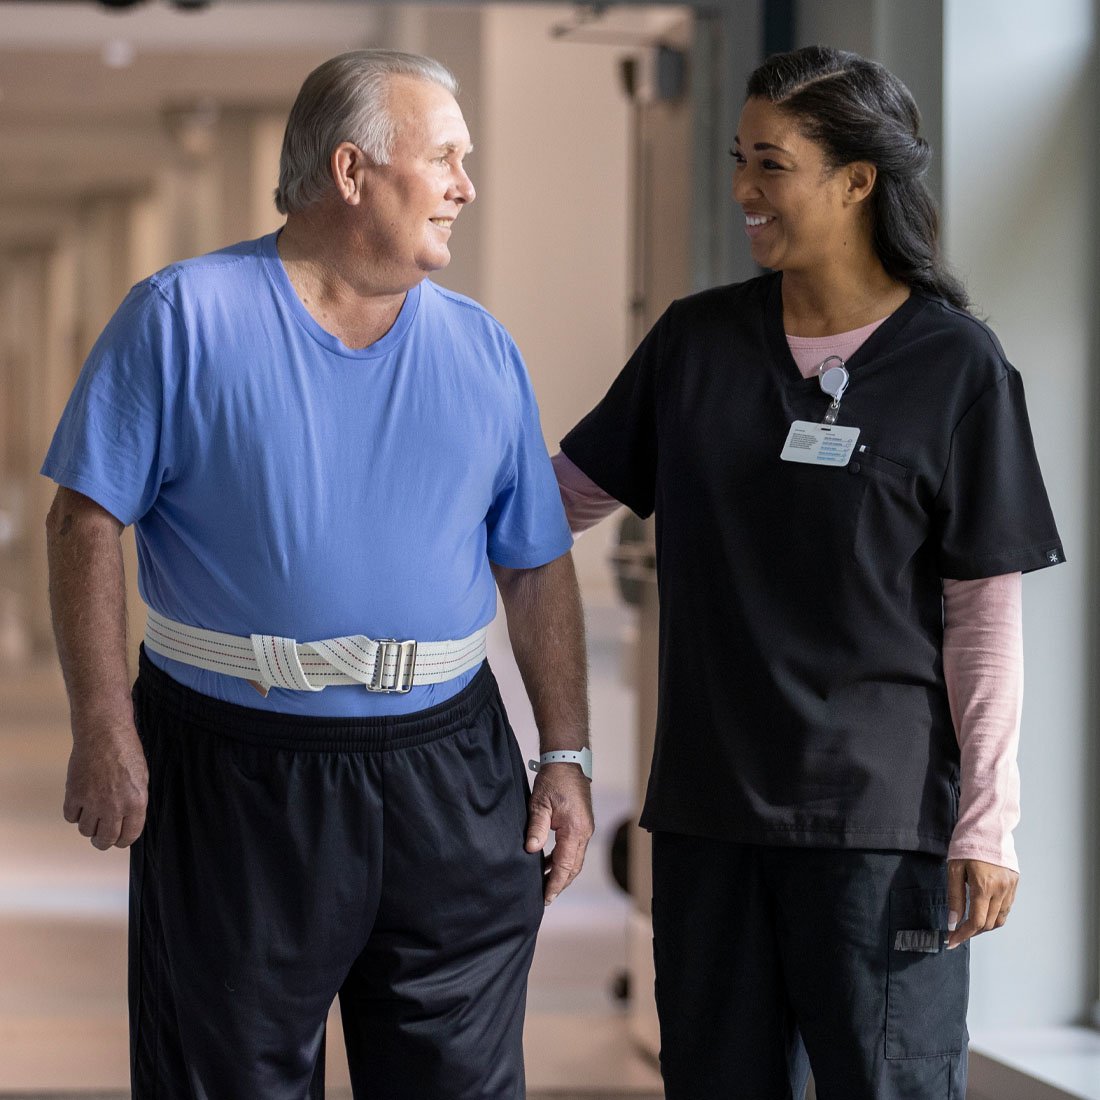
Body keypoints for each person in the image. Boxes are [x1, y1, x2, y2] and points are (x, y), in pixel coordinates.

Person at [43, 49, 594, 1100]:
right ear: (352, 173)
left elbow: (532, 565)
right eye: (443, 159)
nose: (465, 188)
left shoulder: (481, 350)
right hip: (237, 762)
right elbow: (83, 519)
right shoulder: (180, 316)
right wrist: (104, 722)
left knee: (461, 1079)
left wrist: (562, 750)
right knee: (227, 1075)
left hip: (450, 767)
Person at [555, 45, 1062, 1100]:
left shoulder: (955, 366)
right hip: (707, 818)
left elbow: (981, 617)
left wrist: (987, 821)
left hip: (877, 832)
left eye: (769, 164)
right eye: (739, 158)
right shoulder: (696, 345)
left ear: (854, 178)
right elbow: (548, 503)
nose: (740, 188)